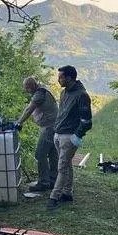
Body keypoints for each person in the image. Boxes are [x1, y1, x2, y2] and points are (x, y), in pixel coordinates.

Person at [47, 65, 92, 210]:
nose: (58, 79)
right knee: (66, 165)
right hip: (58, 134)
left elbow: (87, 121)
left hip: (69, 136)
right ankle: (67, 193)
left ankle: (53, 198)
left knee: (61, 167)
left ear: (69, 77)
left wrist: (76, 137)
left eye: (60, 77)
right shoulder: (64, 93)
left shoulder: (82, 95)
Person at [15, 77, 58, 192]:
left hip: (49, 127)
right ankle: (53, 180)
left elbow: (29, 109)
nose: (26, 91)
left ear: (32, 86)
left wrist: (19, 122)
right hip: (54, 125)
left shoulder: (39, 93)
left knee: (40, 154)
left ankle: (43, 182)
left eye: (27, 88)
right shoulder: (42, 90)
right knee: (53, 154)